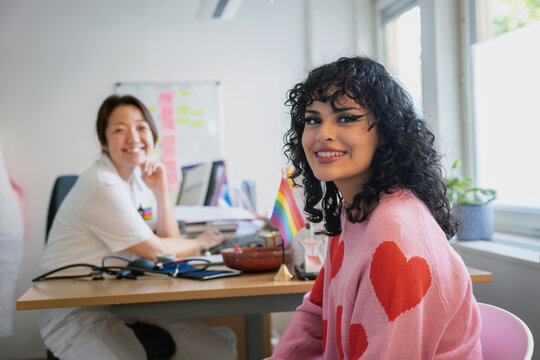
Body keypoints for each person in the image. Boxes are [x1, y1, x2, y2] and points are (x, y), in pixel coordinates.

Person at [268, 57, 482, 359]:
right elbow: (316, 312)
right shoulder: (354, 210)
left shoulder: (395, 233)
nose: (322, 134)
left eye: (346, 118)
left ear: (386, 132)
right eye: (313, 119)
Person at [39, 95, 236, 360]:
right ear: (104, 141)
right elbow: (156, 251)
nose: (133, 137)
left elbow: (169, 243)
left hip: (123, 298)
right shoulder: (102, 184)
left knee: (218, 349)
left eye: (141, 127)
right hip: (77, 309)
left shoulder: (136, 180)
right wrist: (202, 241)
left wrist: (160, 191)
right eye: (120, 129)